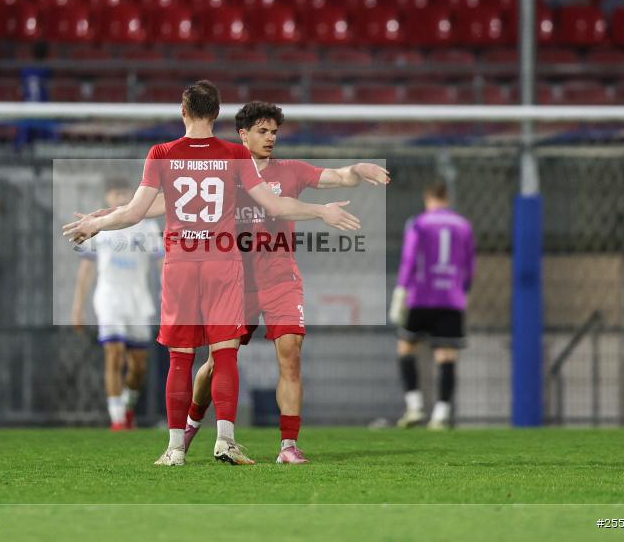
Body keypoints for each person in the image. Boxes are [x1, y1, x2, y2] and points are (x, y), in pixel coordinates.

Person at [63, 80, 360, 466]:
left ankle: (174, 449)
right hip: (222, 264)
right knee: (224, 355)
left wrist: (98, 223)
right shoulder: (234, 154)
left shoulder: (161, 153)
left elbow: (137, 211)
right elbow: (274, 205)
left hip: (181, 264)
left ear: (183, 111)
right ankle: (225, 441)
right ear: (217, 114)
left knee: (181, 357)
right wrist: (321, 211)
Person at [174, 101, 389, 464]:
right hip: (235, 282)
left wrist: (358, 169)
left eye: (274, 132)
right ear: (243, 135)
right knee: (214, 364)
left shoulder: (291, 170)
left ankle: (288, 446)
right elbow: (169, 199)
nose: (270, 138)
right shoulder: (223, 173)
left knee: (291, 357)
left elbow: (337, 177)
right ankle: (191, 425)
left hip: (281, 281)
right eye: (262, 131)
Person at [72, 177, 163, 431]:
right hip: (109, 297)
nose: (120, 197)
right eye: (115, 193)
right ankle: (117, 419)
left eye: (124, 193)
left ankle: (127, 405)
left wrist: (167, 292)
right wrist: (77, 307)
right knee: (114, 354)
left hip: (137, 299)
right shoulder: (99, 227)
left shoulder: (147, 227)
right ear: (107, 197)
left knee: (139, 364)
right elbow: (86, 271)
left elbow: (161, 263)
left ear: (132, 195)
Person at [389, 181, 475, 430]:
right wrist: (464, 290)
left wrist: (401, 290)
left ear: (428, 197)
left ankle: (414, 406)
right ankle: (441, 414)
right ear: (447, 198)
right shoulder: (463, 225)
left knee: (406, 347)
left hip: (421, 295)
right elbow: (470, 264)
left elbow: (409, 258)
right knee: (446, 354)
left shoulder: (419, 223)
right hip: (451, 298)